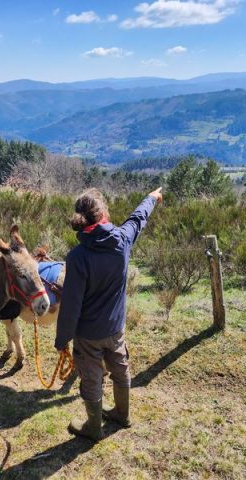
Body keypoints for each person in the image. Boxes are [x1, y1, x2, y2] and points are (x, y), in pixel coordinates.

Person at [55, 186, 162, 441]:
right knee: (120, 367)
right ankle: (122, 415)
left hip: (88, 334)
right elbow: (138, 218)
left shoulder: (77, 257)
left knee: (91, 378)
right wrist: (151, 198)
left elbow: (71, 305)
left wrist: (62, 341)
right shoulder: (123, 239)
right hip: (115, 328)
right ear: (102, 214)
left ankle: (94, 427)